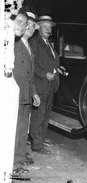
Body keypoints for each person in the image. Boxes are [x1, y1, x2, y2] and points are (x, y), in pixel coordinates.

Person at [1, 0, 29, 183]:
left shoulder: (8, 24)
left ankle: (5, 177)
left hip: (9, 80)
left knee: (8, 133)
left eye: (20, 1)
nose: (17, 5)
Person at [13, 12, 41, 168]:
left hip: (26, 95)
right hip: (17, 94)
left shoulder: (28, 46)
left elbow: (30, 75)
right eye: (26, 25)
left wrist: (34, 92)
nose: (30, 28)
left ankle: (20, 156)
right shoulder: (15, 44)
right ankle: (12, 161)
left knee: (23, 128)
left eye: (32, 26)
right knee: (15, 128)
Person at [29, 15, 59, 154]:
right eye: (45, 27)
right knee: (38, 116)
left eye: (50, 27)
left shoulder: (48, 43)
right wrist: (44, 73)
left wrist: (57, 69)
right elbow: (31, 64)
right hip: (40, 84)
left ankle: (41, 140)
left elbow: (50, 62)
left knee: (46, 115)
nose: (48, 30)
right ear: (38, 28)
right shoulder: (34, 42)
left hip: (50, 85)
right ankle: (36, 145)